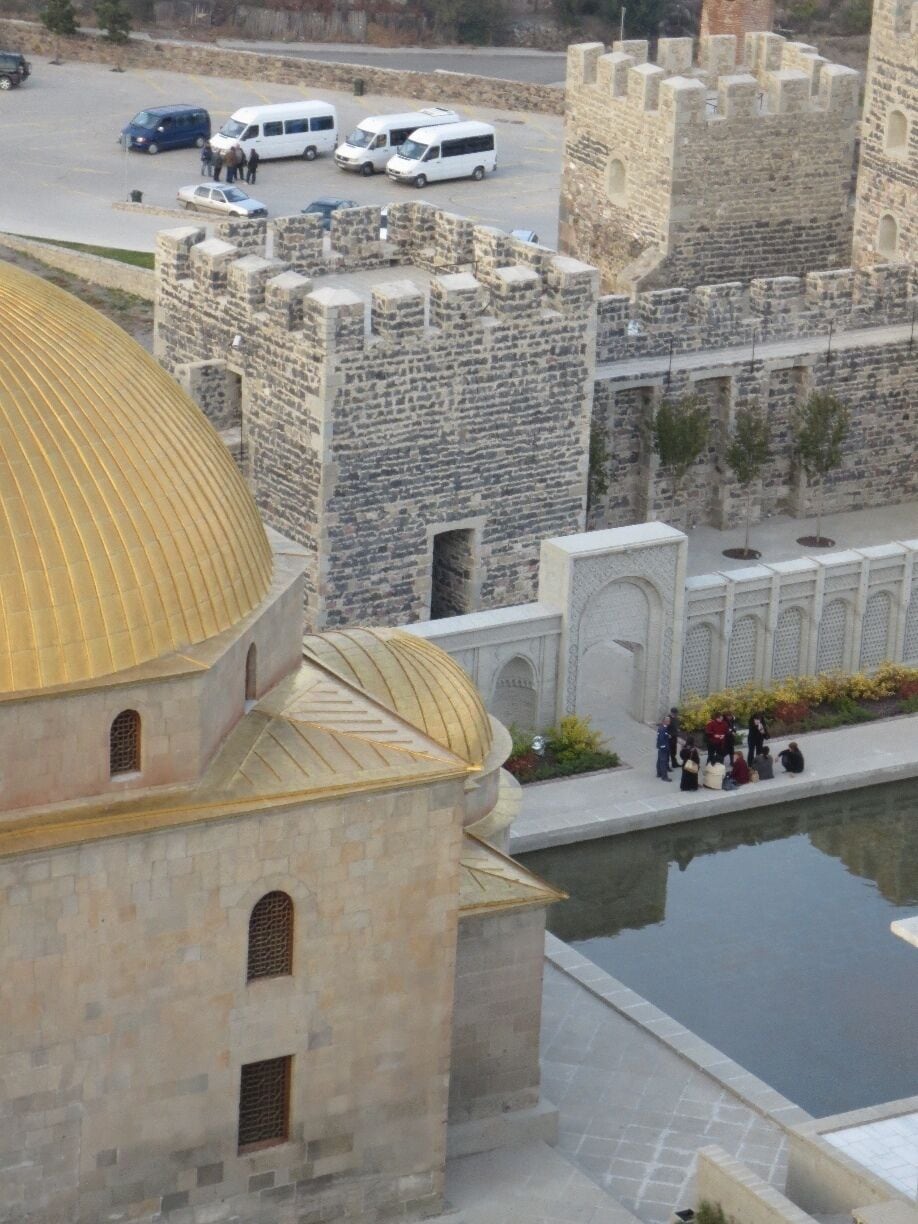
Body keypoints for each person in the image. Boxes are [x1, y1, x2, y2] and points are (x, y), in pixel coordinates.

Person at [656, 715, 672, 781]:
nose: (669, 721)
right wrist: (664, 747)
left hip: (661, 747)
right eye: (667, 721)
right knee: (663, 761)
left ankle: (659, 773)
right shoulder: (663, 729)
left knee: (659, 760)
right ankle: (664, 777)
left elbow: (663, 736)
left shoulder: (663, 727)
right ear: (664, 721)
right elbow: (661, 738)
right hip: (663, 748)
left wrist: (667, 735)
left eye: (669, 720)